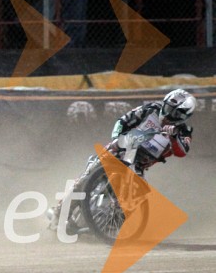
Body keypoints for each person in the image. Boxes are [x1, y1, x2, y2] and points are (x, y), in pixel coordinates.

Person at [47, 89, 197, 231]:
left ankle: (106, 226)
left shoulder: (183, 131)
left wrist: (173, 136)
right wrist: (116, 138)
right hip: (121, 149)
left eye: (176, 114)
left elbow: (182, 151)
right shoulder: (150, 109)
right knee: (87, 176)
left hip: (138, 165)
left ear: (184, 117)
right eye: (169, 109)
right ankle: (59, 213)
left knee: (138, 197)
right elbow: (123, 121)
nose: (169, 115)